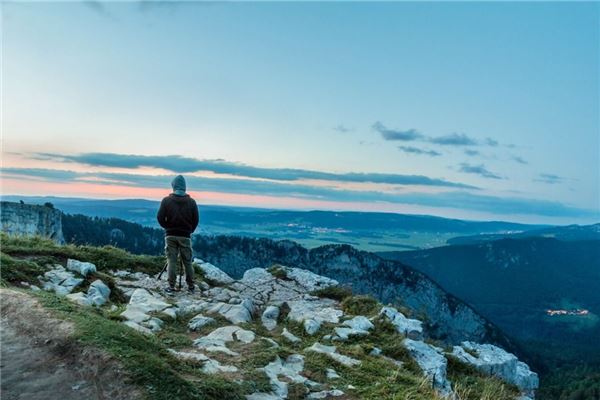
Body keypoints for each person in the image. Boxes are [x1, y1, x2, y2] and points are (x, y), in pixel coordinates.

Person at [157, 175, 199, 294]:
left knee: (172, 261)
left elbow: (160, 217)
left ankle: (171, 286)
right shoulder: (191, 202)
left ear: (174, 186)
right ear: (184, 187)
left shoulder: (166, 200)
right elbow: (195, 220)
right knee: (187, 262)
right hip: (185, 236)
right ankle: (191, 287)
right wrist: (190, 230)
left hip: (170, 235)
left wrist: (167, 227)